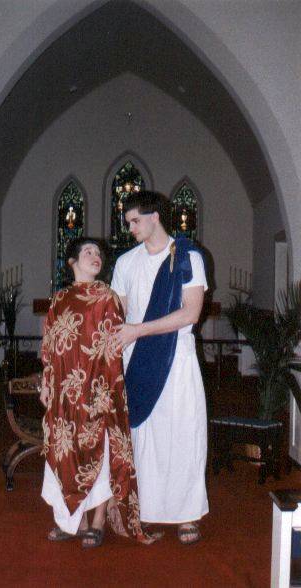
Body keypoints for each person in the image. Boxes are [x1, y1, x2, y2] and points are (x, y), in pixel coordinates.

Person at [40, 237, 158, 548]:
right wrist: (49, 386)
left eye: (98, 253)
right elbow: (49, 346)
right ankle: (69, 520)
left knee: (100, 452)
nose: (95, 257)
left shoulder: (107, 296)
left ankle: (96, 521)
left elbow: (114, 344)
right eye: (88, 252)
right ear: (72, 262)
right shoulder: (59, 299)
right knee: (64, 452)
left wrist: (104, 389)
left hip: (98, 388)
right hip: (64, 392)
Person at [111, 191, 209, 545]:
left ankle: (186, 515)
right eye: (129, 223)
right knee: (145, 437)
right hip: (136, 359)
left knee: (182, 433)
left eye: (136, 221)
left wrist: (140, 329)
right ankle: (146, 509)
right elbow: (116, 312)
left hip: (175, 358)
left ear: (155, 217)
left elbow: (191, 313)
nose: (131, 228)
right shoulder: (125, 263)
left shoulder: (188, 257)